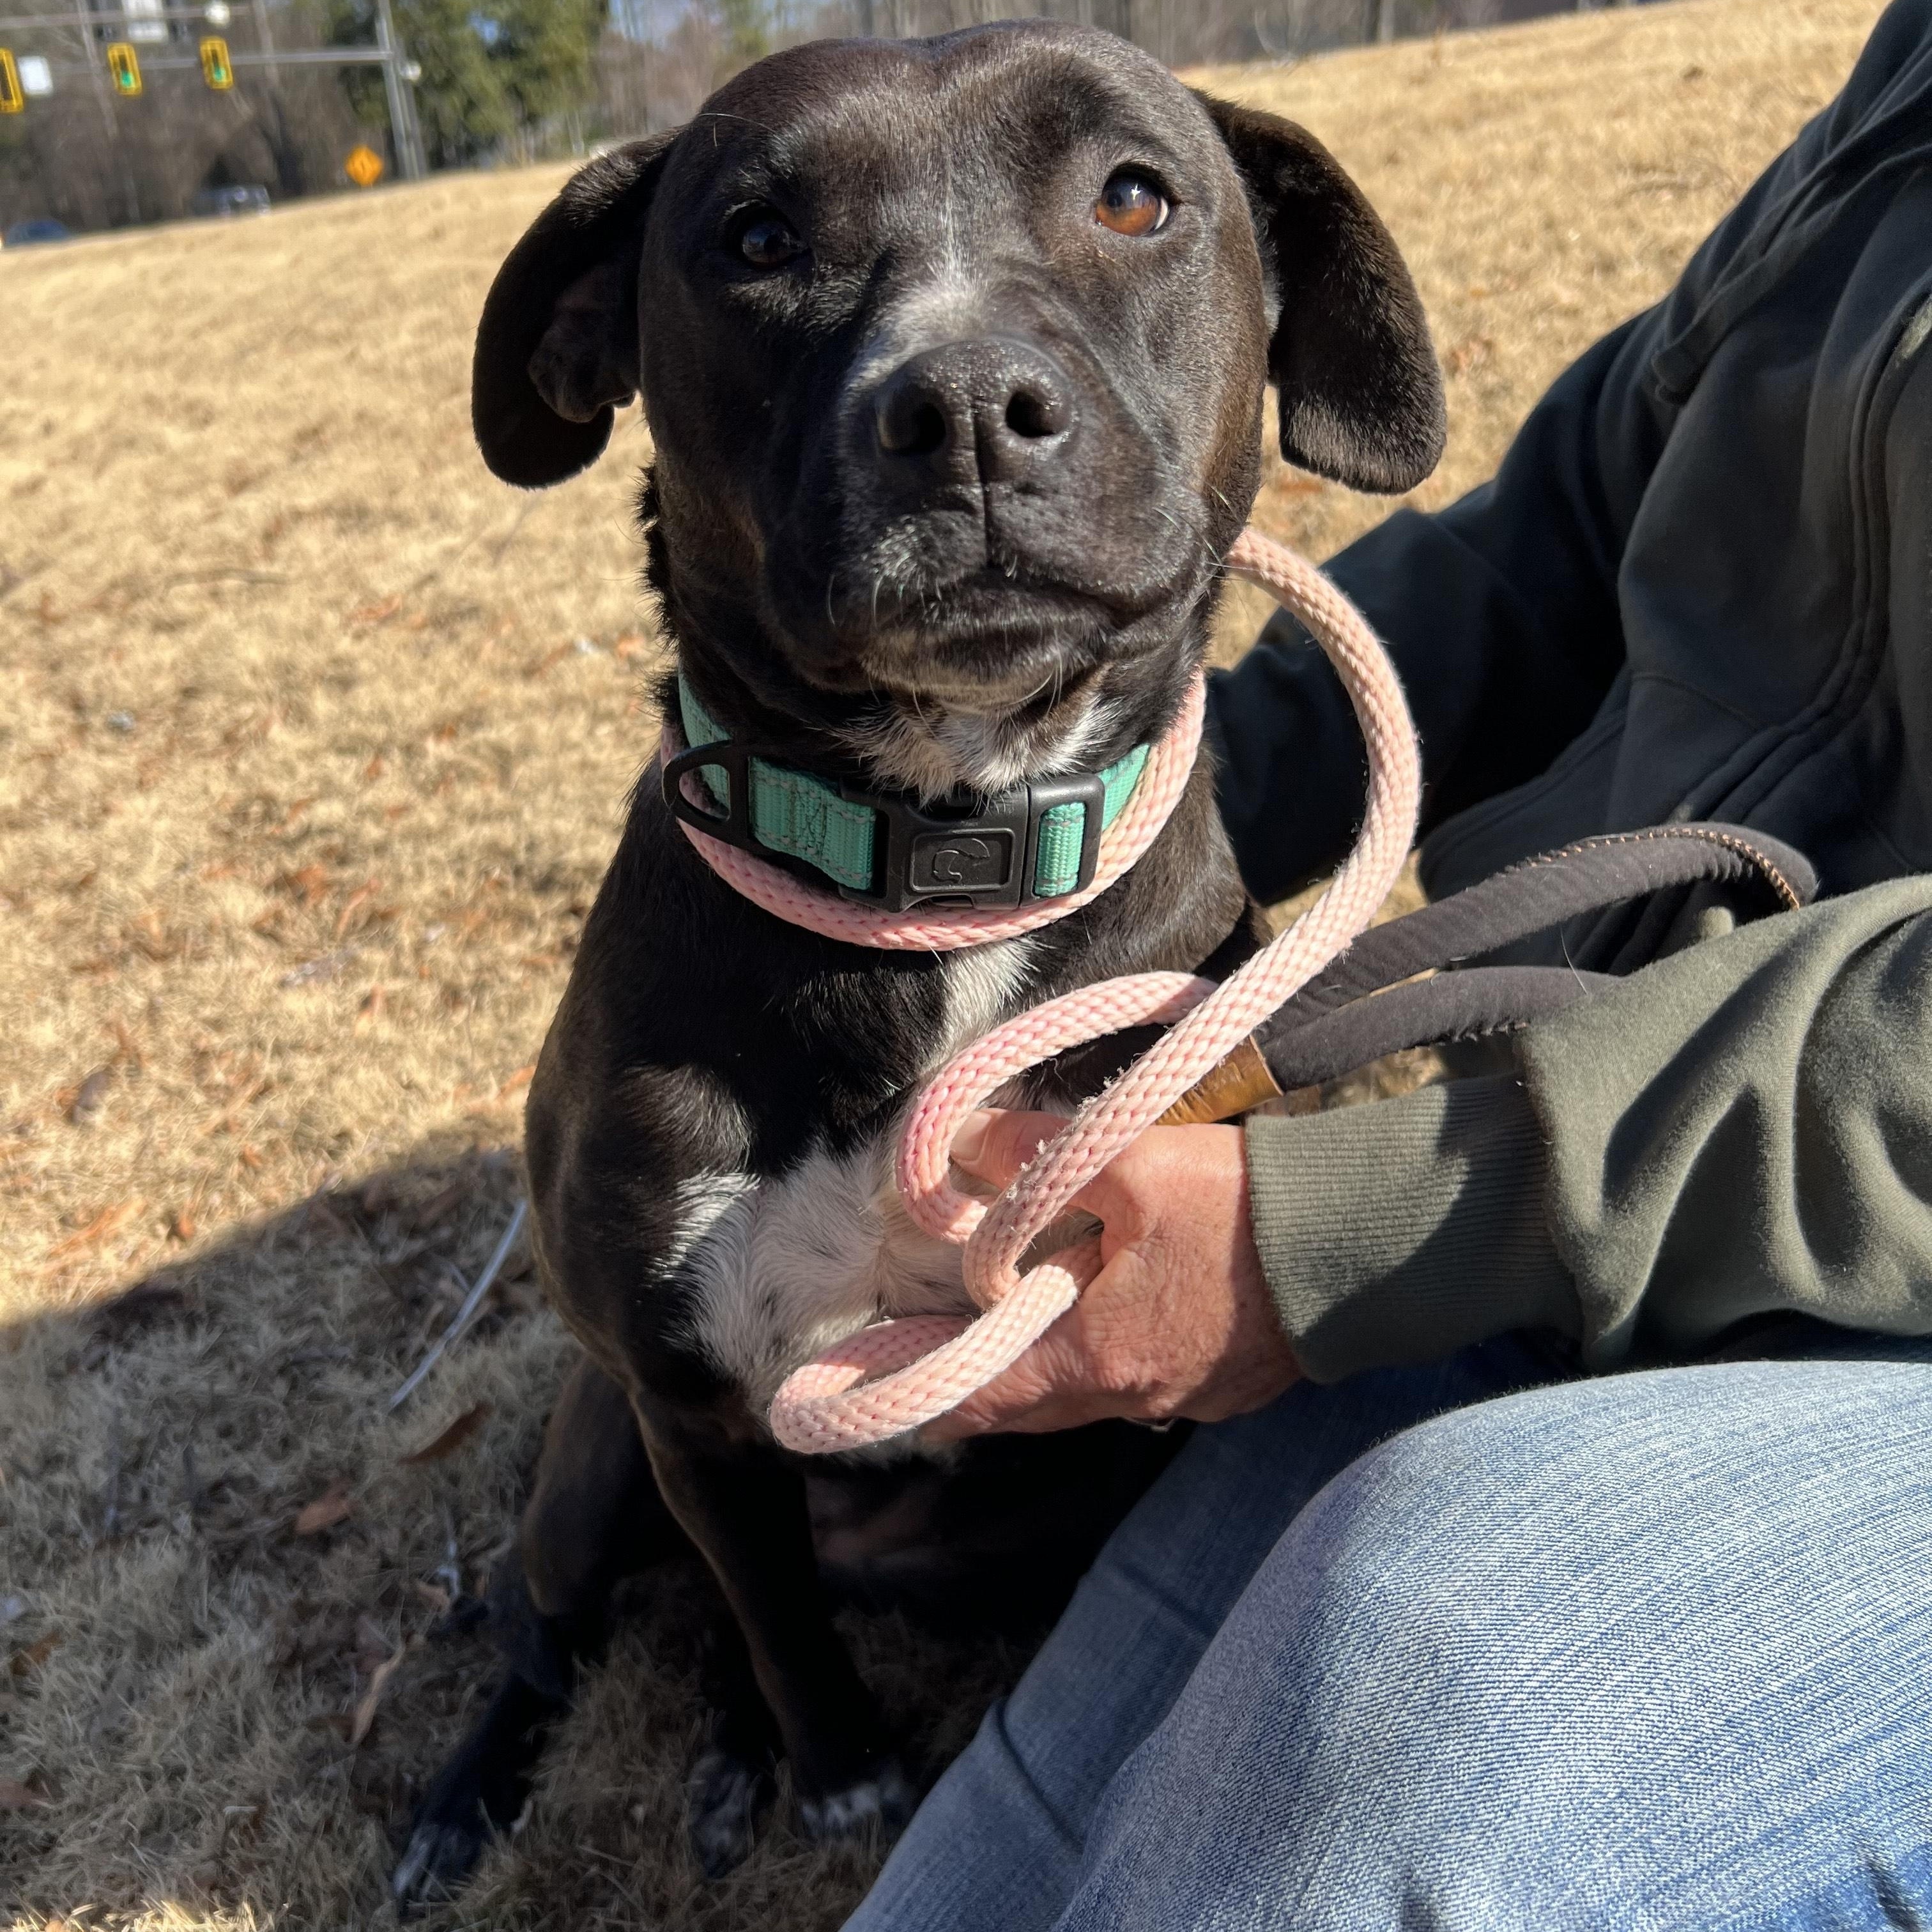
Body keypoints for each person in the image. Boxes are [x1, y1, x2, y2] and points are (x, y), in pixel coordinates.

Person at [843, 2, 1932, 1925]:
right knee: (1043, 1814)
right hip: (1650, 1133)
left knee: (1428, 1672)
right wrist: (1104, 830)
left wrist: (1349, 1222)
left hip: (1789, 1228)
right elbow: (1611, 491)